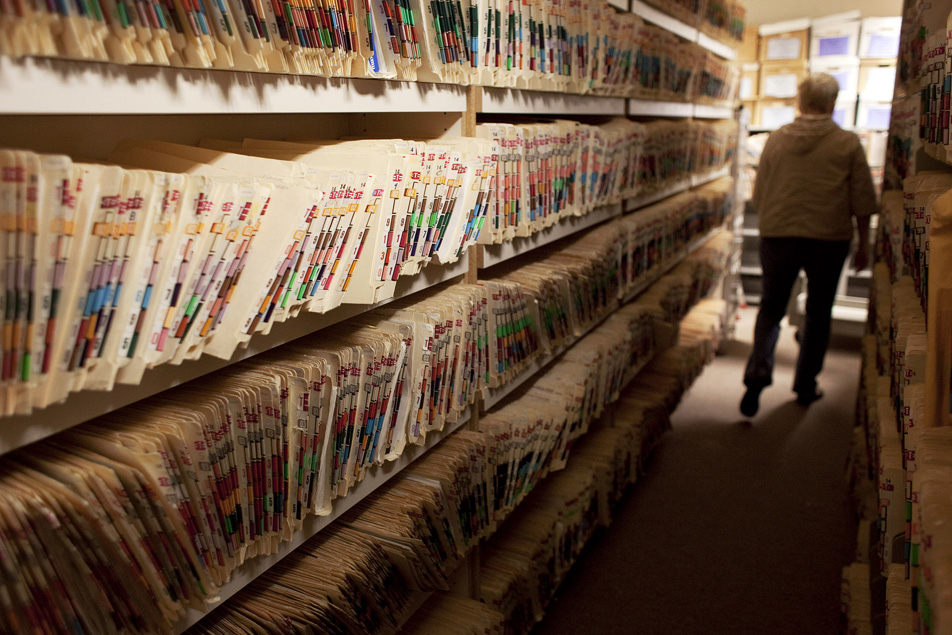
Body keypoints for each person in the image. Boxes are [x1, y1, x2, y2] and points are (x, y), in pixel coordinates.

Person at [740, 73, 876, 417]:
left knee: (771, 308)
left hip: (779, 235)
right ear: (833, 104)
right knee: (817, 313)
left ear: (798, 103)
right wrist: (864, 243)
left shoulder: (776, 140)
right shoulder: (847, 143)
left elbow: (758, 195)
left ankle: (756, 377)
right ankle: (805, 385)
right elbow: (862, 198)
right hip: (828, 238)